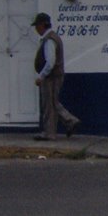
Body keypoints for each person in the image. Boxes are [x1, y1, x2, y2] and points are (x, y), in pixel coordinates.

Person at [31, 12, 80, 141]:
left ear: (42, 25)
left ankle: (63, 124)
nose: (36, 29)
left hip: (51, 77)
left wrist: (41, 76)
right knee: (52, 103)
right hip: (55, 75)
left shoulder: (49, 40)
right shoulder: (54, 38)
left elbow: (50, 62)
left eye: (37, 26)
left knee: (49, 104)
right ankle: (61, 126)